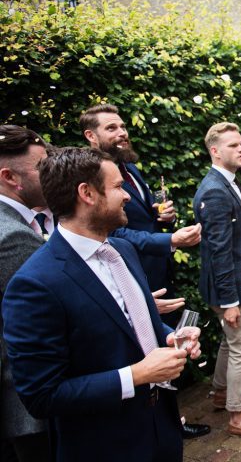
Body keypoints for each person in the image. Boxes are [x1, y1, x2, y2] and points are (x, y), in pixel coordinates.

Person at [2, 147, 202, 462]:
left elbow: (136, 322)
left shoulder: (123, 250)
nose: (126, 196)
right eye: (118, 187)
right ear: (87, 194)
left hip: (160, 427)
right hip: (105, 444)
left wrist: (167, 336)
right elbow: (41, 395)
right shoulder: (36, 283)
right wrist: (136, 375)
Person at [79, 104, 210, 438]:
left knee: (160, 340)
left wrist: (162, 217)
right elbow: (115, 232)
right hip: (125, 269)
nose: (122, 132)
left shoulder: (131, 168)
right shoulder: (91, 176)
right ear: (91, 137)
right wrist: (169, 238)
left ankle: (167, 421)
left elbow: (136, 215)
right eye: (111, 128)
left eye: (122, 126)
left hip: (152, 268)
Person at [193, 123, 241, 439]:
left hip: (234, 281)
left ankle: (220, 393)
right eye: (232, 145)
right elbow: (219, 251)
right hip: (228, 287)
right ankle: (237, 417)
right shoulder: (214, 190)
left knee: (230, 340)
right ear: (215, 151)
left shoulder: (227, 182)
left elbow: (234, 234)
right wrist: (229, 302)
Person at [0, 126, 50, 462]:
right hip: (29, 407)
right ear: (10, 177)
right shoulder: (12, 237)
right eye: (43, 167)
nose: (53, 174)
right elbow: (44, 323)